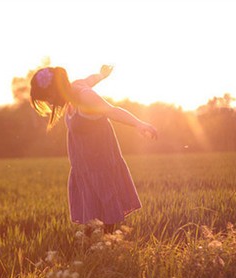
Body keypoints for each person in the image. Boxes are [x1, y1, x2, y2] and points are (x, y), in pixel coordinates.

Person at [29, 65, 157, 233]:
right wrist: (102, 75)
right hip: (84, 165)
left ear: (54, 90)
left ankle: (107, 246)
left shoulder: (85, 97)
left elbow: (113, 111)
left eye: (48, 98)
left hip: (100, 163)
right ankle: (96, 247)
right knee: (90, 212)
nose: (49, 103)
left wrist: (138, 124)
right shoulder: (76, 88)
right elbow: (91, 79)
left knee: (106, 208)